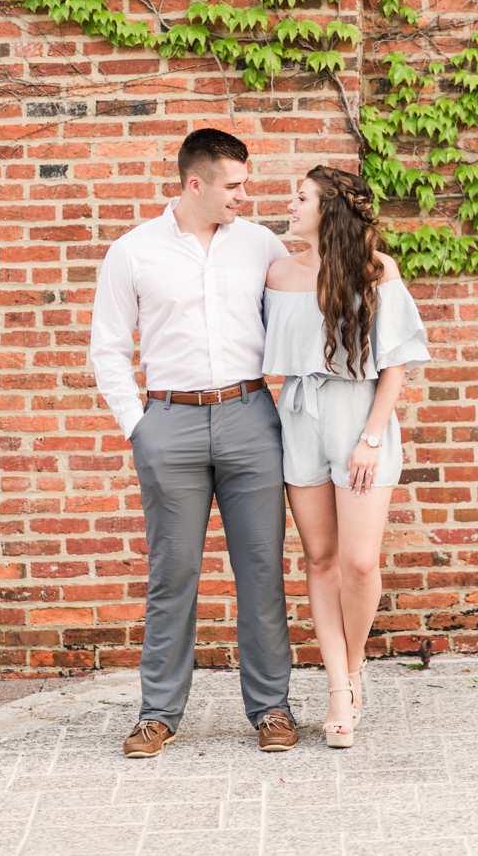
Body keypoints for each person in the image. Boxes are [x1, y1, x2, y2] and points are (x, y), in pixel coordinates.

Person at [90, 128, 298, 757]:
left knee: (261, 570)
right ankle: (158, 713)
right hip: (169, 425)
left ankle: (271, 709)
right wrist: (139, 427)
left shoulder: (262, 244)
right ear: (195, 184)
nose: (245, 194)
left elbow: (296, 322)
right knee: (172, 574)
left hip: (249, 415)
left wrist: (284, 406)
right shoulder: (132, 252)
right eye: (234, 185)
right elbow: (107, 347)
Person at [263, 166, 429, 747]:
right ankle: (338, 689)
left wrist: (372, 436)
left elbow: (396, 365)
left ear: (328, 208)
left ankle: (353, 667)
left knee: (359, 563)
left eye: (301, 196)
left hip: (360, 418)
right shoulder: (278, 272)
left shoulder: (376, 270)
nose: (290, 203)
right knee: (321, 558)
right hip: (300, 418)